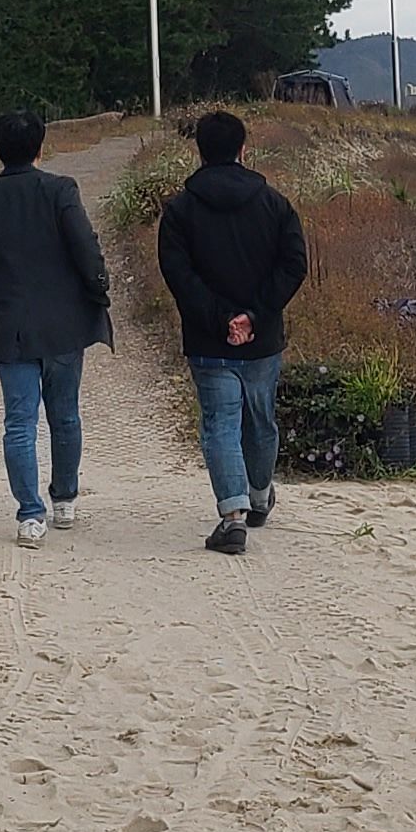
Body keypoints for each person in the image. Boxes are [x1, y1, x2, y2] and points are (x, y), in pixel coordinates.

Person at [0, 109, 112, 544]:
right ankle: (64, 499)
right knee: (65, 415)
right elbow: (85, 245)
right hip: (64, 322)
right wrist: (97, 289)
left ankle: (29, 515)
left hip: (14, 325)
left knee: (19, 421)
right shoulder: (61, 190)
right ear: (42, 147)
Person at [155, 108, 308, 555]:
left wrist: (221, 318)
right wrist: (254, 316)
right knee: (260, 420)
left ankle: (233, 516)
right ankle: (260, 496)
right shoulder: (275, 204)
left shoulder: (180, 210)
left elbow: (178, 274)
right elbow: (294, 265)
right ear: (244, 149)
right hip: (262, 339)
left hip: (208, 338)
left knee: (220, 424)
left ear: (199, 151)